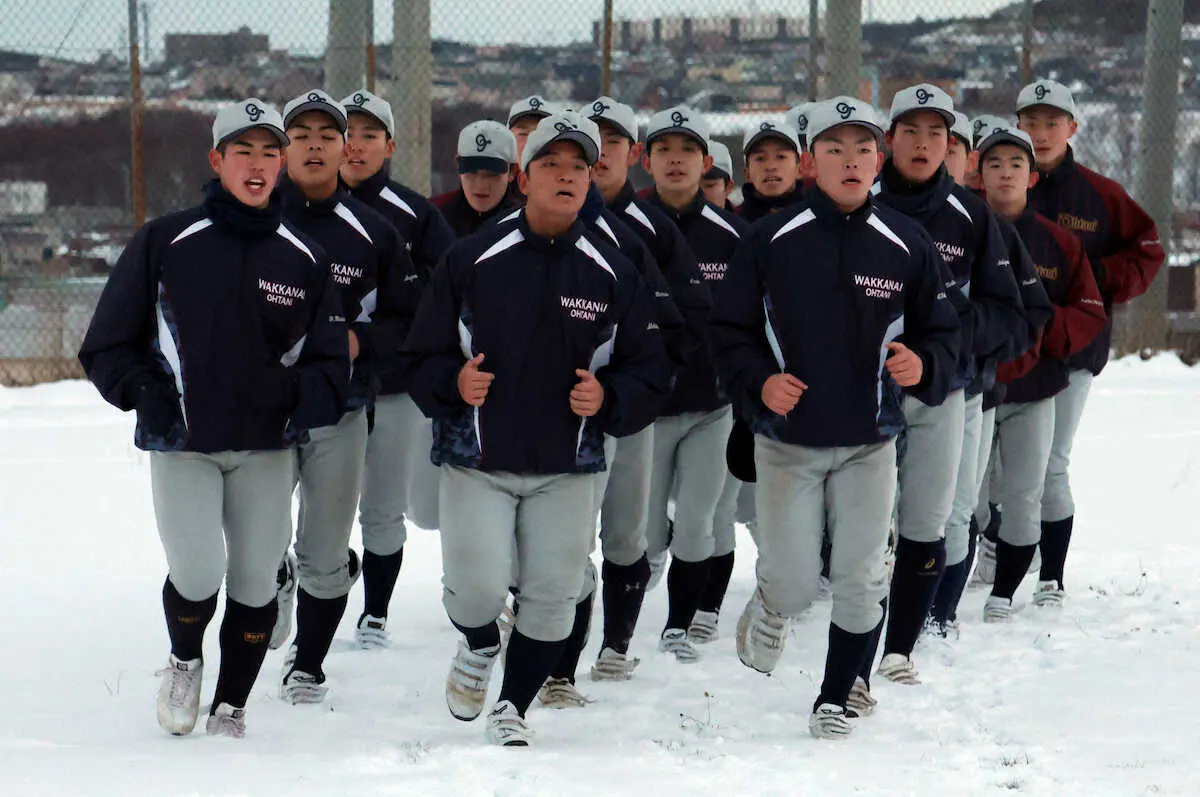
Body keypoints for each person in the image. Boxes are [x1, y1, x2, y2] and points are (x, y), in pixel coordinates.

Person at [77, 99, 348, 738]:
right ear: (216, 160)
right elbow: (107, 344)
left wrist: (291, 397)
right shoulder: (166, 242)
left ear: (281, 164)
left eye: (268, 153)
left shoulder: (303, 258)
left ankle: (232, 706)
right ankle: (185, 659)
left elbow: (333, 367)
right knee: (198, 570)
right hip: (184, 443)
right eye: (243, 152)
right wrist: (145, 391)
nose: (256, 165)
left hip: (265, 448)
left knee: (255, 580)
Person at [405, 111, 670, 746]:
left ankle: (513, 707)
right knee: (475, 590)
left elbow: (651, 366)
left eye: (580, 167)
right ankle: (476, 642)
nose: (568, 176)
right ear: (525, 178)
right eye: (552, 165)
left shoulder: (614, 269)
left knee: (553, 599)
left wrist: (608, 398)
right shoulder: (471, 259)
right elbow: (420, 354)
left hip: (568, 465)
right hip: (478, 459)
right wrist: (453, 384)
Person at [710, 97, 959, 738]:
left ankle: (838, 692)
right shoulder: (770, 241)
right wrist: (761, 383)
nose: (851, 162)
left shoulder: (907, 243)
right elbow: (727, 334)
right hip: (788, 442)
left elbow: (944, 335)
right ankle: (772, 603)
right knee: (795, 583)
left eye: (863, 151)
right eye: (835, 151)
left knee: (861, 575)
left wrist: (922, 364)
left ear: (878, 160)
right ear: (809, 163)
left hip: (870, 441)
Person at [863, 84, 1026, 692]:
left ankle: (914, 635)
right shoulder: (861, 200)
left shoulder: (973, 216)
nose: (924, 143)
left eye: (937, 133)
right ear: (890, 140)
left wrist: (946, 338)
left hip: (945, 389)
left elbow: (1010, 315)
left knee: (933, 517)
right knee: (868, 519)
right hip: (864, 388)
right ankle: (857, 622)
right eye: (911, 130)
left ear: (951, 144)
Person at [269, 89, 420, 701]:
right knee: (258, 545)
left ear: (345, 149)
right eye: (299, 135)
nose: (313, 145)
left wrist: (360, 342)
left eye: (327, 136)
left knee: (326, 549)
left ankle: (308, 665)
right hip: (261, 408)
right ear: (282, 149)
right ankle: (271, 581)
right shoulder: (251, 218)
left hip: (341, 406)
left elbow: (411, 320)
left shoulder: (376, 233)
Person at [1013, 79, 1164, 603]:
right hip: (1009, 349)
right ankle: (1004, 549)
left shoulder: (1101, 195)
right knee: (1000, 464)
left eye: (1051, 122)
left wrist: (1092, 276)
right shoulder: (1004, 182)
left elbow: (1147, 251)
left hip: (1073, 348)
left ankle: (1051, 573)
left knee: (1052, 462)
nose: (1040, 132)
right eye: (1030, 122)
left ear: (1073, 128)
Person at [581, 97, 713, 678]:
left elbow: (686, 317)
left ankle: (615, 644)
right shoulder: (540, 214)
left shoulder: (650, 229)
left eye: (615, 142)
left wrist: (646, 385)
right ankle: (553, 646)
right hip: (551, 406)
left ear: (631, 154)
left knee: (629, 531)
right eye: (594, 140)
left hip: (632, 409)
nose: (603, 152)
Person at [971, 126, 1107, 621]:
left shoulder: (1058, 241)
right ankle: (967, 567)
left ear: (1032, 177)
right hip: (975, 391)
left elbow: (1089, 311)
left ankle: (1005, 593)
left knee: (1029, 489)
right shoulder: (962, 229)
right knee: (972, 501)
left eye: (1016, 165)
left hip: (1035, 387)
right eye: (994, 164)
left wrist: (1035, 340)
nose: (1006, 173)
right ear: (977, 172)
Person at [337, 90, 455, 645]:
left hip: (391, 386)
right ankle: (307, 583)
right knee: (318, 506)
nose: (355, 145)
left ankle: (376, 612)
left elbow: (443, 297)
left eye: (368, 135)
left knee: (383, 507)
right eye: (347, 133)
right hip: (321, 386)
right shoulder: (297, 205)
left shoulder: (414, 214)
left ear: (388, 145)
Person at [641, 105, 751, 663]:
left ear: (707, 162)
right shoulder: (624, 226)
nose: (676, 161)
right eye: (664, 151)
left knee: (699, 518)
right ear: (647, 160)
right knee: (644, 530)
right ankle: (646, 567)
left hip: (713, 403)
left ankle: (679, 625)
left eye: (687, 152)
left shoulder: (734, 236)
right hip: (646, 407)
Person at [431, 121, 521, 237]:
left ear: (512, 171)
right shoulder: (434, 217)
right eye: (471, 171)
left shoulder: (526, 225)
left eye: (492, 174)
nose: (480, 185)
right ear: (458, 165)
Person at [738, 121, 804, 222]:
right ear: (747, 173)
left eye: (781, 157)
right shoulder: (735, 224)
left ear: (799, 168)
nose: (770, 166)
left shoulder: (821, 216)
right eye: (760, 158)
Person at [700, 141, 736, 210]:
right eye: (692, 186)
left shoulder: (745, 219)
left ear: (728, 187)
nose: (699, 193)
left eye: (709, 185)